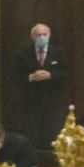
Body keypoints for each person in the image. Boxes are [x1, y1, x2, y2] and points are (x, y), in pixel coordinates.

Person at [12, 23, 66, 152]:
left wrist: (50, 75)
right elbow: (16, 76)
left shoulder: (58, 52)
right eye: (38, 35)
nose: (42, 37)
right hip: (31, 103)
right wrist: (31, 77)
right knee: (32, 136)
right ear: (32, 37)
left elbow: (65, 74)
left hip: (52, 103)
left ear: (49, 35)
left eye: (44, 34)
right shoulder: (24, 54)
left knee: (51, 135)